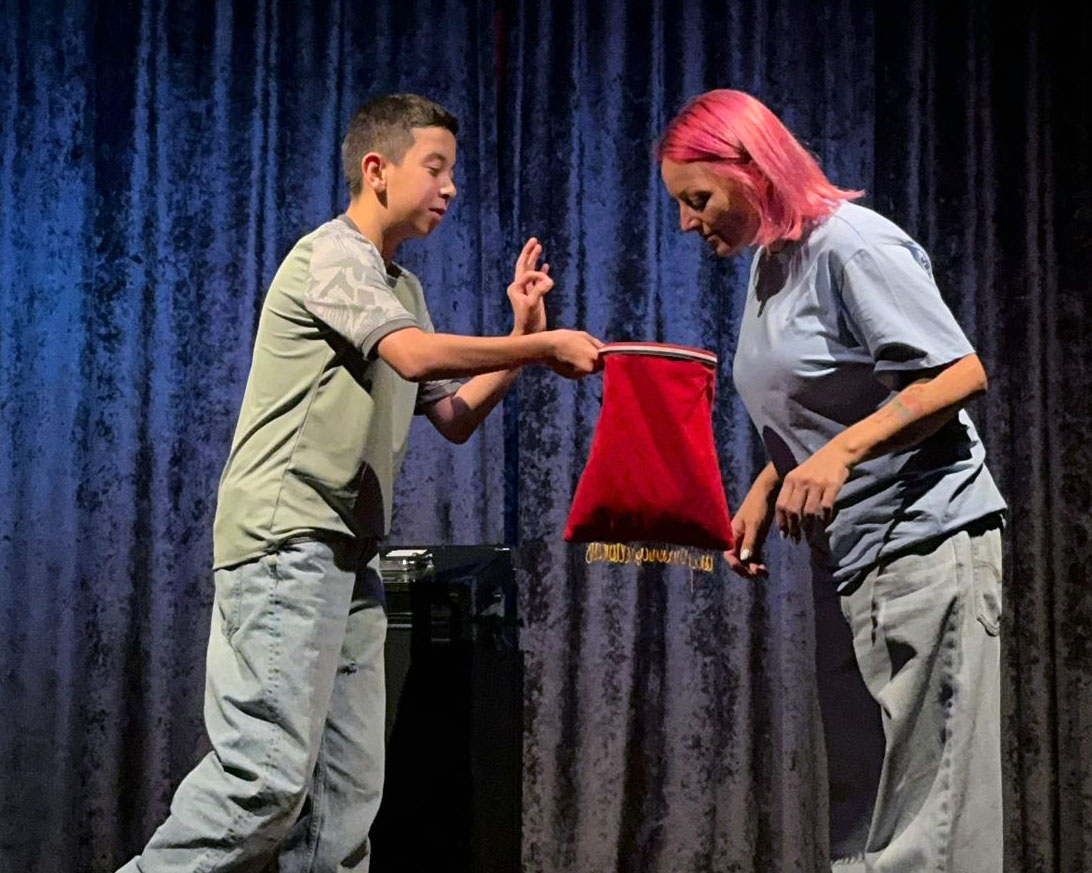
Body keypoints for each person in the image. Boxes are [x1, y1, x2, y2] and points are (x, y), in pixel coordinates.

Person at [118, 93, 602, 873]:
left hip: (350, 555)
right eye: (435, 168)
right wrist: (541, 347)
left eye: (453, 172)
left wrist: (520, 341)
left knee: (341, 807)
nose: (450, 187)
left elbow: (452, 416)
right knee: (263, 780)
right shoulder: (333, 256)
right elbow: (412, 356)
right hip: (287, 540)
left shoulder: (400, 290)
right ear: (377, 169)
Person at [658, 89, 1007, 872]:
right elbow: (831, 393)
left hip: (925, 541)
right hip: (851, 557)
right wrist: (769, 481)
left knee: (929, 818)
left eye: (697, 198)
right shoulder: (774, 260)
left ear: (750, 168)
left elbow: (958, 372)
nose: (685, 221)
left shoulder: (852, 244)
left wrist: (839, 454)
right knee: (864, 804)